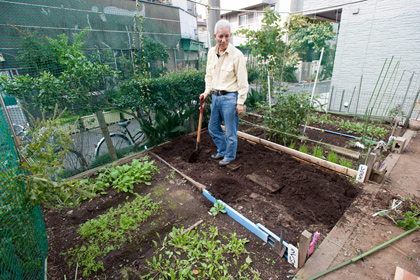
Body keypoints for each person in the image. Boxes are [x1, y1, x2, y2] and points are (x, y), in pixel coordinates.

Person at [200, 20, 249, 166]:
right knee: (213, 127)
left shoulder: (236, 55)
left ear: (230, 35)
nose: (223, 40)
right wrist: (206, 92)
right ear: (215, 36)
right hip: (215, 97)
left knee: (230, 131)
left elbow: (243, 81)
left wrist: (240, 102)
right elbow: (209, 75)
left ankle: (230, 155)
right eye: (220, 36)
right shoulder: (211, 53)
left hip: (230, 98)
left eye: (227, 36)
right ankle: (222, 150)